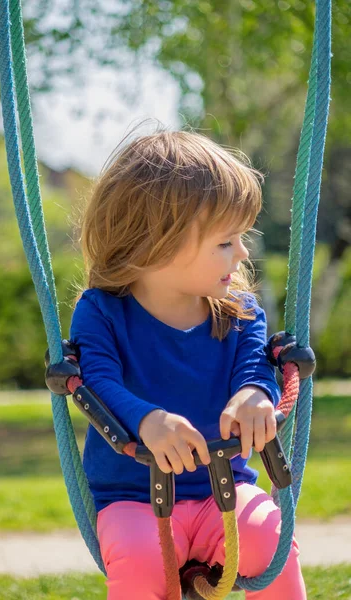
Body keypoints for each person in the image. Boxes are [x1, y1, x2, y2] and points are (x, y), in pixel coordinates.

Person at [70, 126, 306, 600]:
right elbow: (95, 379)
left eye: (241, 238)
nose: (242, 253)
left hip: (224, 489)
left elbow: (254, 367)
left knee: (270, 539)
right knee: (139, 562)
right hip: (134, 498)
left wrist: (254, 394)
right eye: (225, 242)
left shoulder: (238, 311)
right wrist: (146, 419)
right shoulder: (102, 311)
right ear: (158, 241)